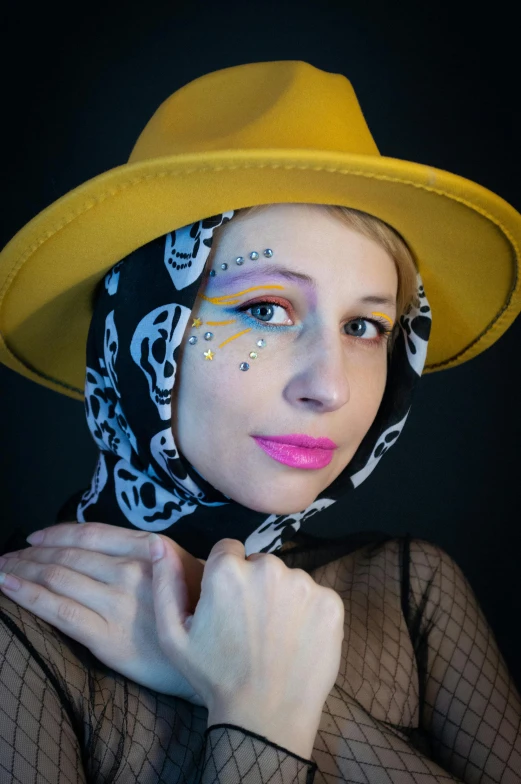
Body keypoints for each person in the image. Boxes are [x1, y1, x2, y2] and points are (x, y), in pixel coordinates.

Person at [0, 60, 520, 783]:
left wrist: (240, 682)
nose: (330, 387)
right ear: (145, 329)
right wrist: (254, 706)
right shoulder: (19, 626)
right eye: (264, 310)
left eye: (365, 326)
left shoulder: (412, 590)